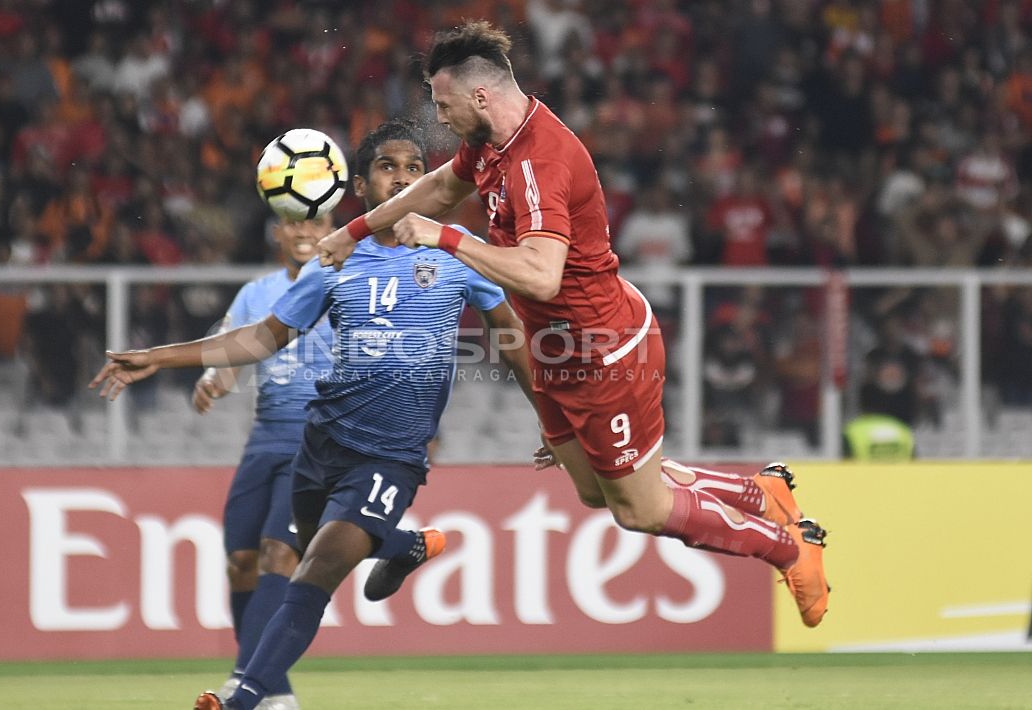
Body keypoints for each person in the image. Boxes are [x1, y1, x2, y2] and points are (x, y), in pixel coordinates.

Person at [317, 21, 829, 628]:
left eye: (442, 101)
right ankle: (756, 494)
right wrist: (354, 232)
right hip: (560, 352)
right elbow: (436, 189)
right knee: (593, 488)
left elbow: (540, 277)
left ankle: (791, 547)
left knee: (637, 509)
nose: (438, 114)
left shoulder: (539, 163)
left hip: (607, 351)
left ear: (480, 97)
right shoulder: (492, 143)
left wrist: (446, 238)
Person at [89, 119, 536, 710]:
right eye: (387, 167)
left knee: (314, 569)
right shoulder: (336, 260)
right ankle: (401, 546)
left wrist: (552, 419)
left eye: (412, 169)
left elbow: (511, 337)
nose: (401, 178)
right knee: (299, 556)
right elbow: (260, 339)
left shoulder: (455, 251)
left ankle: (243, 697)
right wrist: (157, 357)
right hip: (320, 445)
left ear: (425, 180)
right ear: (361, 183)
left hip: (392, 452)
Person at [192, 215, 337, 708]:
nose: (305, 232)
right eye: (294, 221)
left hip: (315, 443)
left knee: (281, 554)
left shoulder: (346, 282)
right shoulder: (256, 292)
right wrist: (212, 380)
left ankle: (243, 677)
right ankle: (276, 691)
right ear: (276, 230)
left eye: (316, 221)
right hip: (263, 441)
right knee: (241, 563)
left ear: (332, 227)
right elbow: (232, 354)